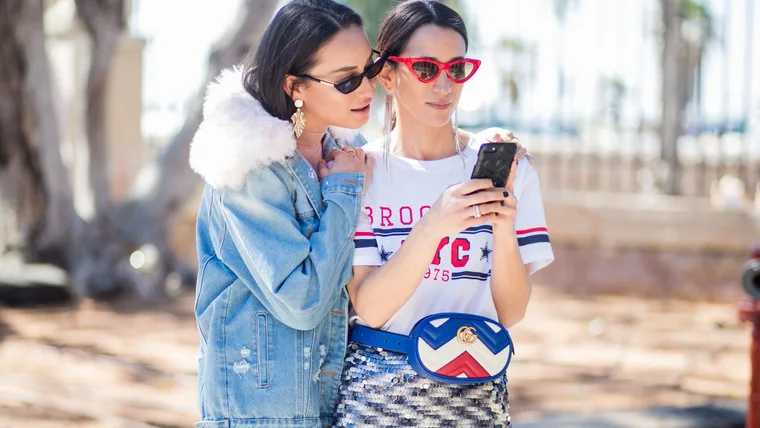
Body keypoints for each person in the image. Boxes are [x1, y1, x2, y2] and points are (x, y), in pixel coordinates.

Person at [332, 1, 555, 427]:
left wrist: (503, 226)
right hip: (379, 399)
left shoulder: (509, 168)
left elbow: (511, 312)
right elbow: (372, 308)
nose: (444, 85)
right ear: (390, 76)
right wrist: (436, 223)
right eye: (426, 68)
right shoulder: (359, 171)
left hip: (476, 396)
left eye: (456, 69)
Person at [189, 1, 377, 426]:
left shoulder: (346, 155)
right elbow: (303, 300)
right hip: (259, 414)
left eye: (370, 68)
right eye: (347, 81)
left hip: (332, 403)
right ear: (296, 86)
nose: (367, 89)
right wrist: (344, 192)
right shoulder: (249, 168)